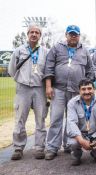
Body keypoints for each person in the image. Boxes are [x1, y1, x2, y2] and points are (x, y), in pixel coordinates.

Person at [44, 25, 94, 160]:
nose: (73, 36)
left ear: (79, 35)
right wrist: (48, 86)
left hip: (77, 91)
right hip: (58, 89)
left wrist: (87, 89)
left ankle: (68, 145)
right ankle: (52, 147)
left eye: (76, 34)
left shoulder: (85, 50)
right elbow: (48, 67)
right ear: (66, 34)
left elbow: (90, 70)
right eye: (71, 34)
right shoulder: (56, 48)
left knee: (73, 119)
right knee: (56, 118)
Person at [8, 23, 49, 160]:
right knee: (20, 119)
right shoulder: (19, 51)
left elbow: (48, 71)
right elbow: (11, 70)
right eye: (31, 32)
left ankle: (39, 148)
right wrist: (21, 80)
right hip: (23, 88)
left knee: (40, 119)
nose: (34, 34)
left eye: (37, 32)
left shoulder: (45, 51)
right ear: (27, 34)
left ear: (40, 36)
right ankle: (18, 148)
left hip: (39, 88)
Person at [66, 79, 96, 166]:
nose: (87, 92)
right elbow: (71, 123)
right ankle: (76, 156)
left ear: (94, 89)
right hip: (80, 133)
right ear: (79, 91)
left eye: (89, 88)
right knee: (73, 142)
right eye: (83, 89)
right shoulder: (72, 103)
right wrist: (82, 141)